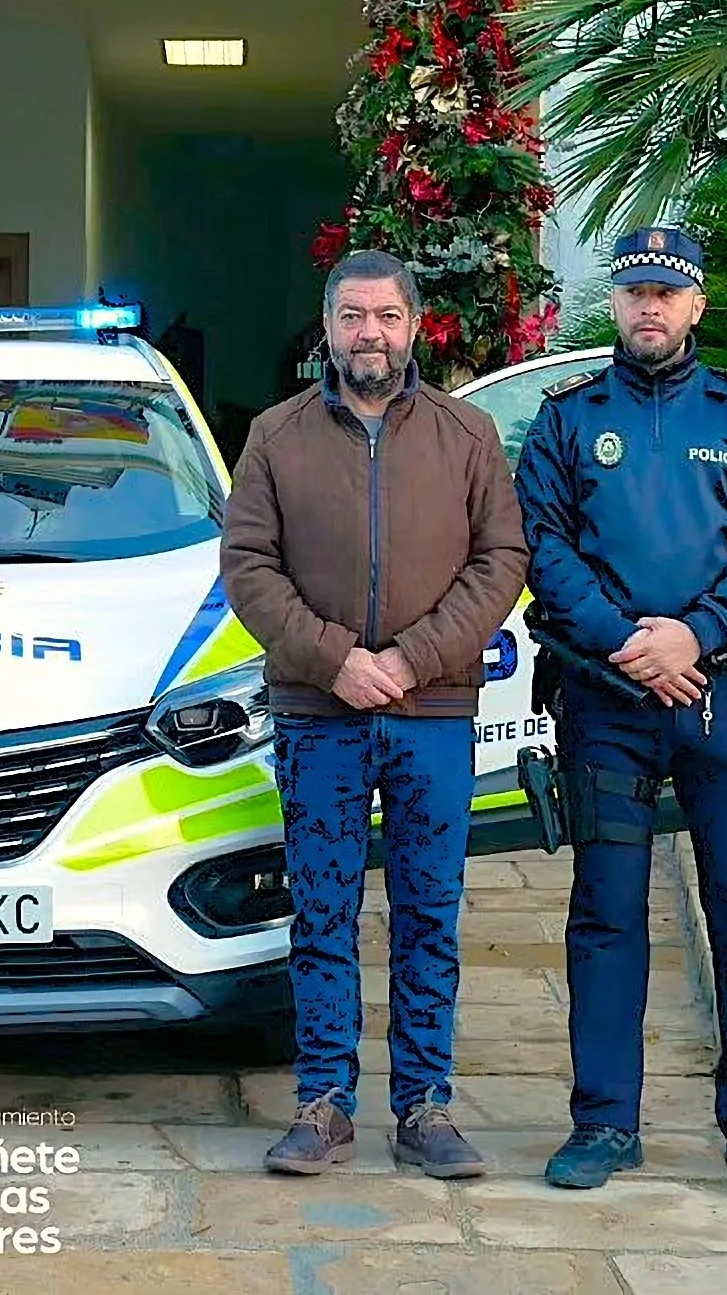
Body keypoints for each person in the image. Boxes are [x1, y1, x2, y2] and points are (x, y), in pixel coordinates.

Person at [514, 228, 727, 1199]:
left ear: (697, 305)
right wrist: (625, 641)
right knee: (605, 913)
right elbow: (542, 541)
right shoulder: (569, 419)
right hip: (607, 697)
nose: (650, 306)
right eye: (637, 290)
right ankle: (604, 1121)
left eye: (667, 292)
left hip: (721, 693)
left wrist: (695, 634)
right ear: (621, 303)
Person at [226, 250, 529, 1180]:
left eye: (387, 316)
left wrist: (408, 659)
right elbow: (248, 567)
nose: (371, 333)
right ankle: (323, 1103)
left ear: (414, 325)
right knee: (322, 910)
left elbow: (501, 560)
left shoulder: (467, 434)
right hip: (319, 715)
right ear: (327, 326)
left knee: (429, 911)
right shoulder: (276, 437)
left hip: (432, 713)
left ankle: (426, 1105)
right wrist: (335, 659)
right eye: (353, 316)